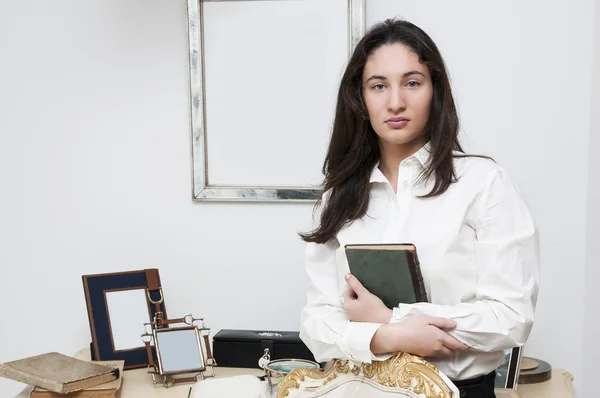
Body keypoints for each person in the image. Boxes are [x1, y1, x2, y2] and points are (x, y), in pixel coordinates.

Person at [298, 18, 539, 398]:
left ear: (435, 90)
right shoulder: (339, 196)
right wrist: (391, 334)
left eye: (412, 82)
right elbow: (316, 324)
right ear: (359, 99)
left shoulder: (483, 183)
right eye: (378, 86)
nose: (396, 101)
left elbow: (510, 318)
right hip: (362, 389)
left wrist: (391, 316)